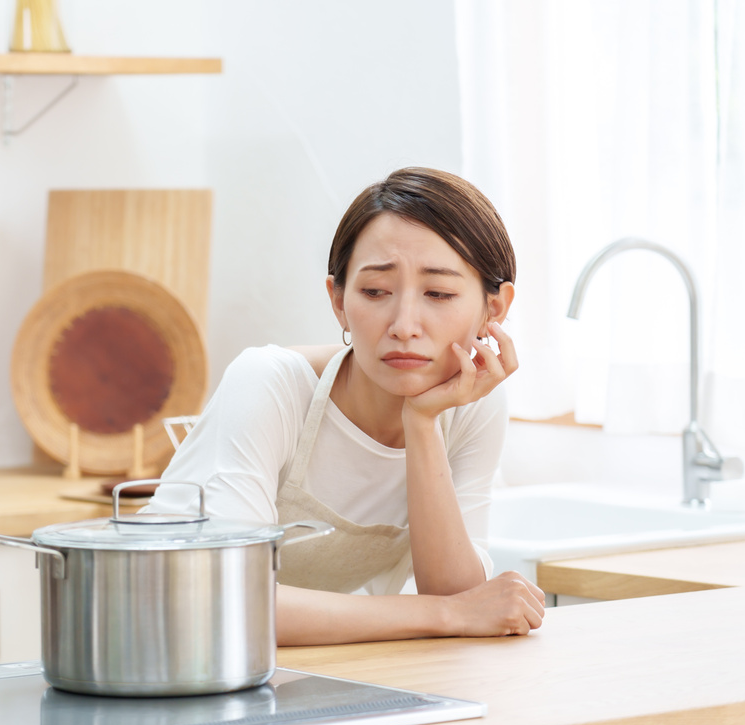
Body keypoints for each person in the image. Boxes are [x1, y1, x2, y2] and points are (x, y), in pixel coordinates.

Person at [148, 167, 546, 645]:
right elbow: (229, 601)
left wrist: (421, 423)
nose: (403, 324)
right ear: (338, 300)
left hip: (278, 672)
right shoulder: (269, 384)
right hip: (159, 659)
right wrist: (439, 615)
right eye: (375, 292)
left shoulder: (470, 406)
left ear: (495, 308)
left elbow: (458, 595)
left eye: (438, 294)